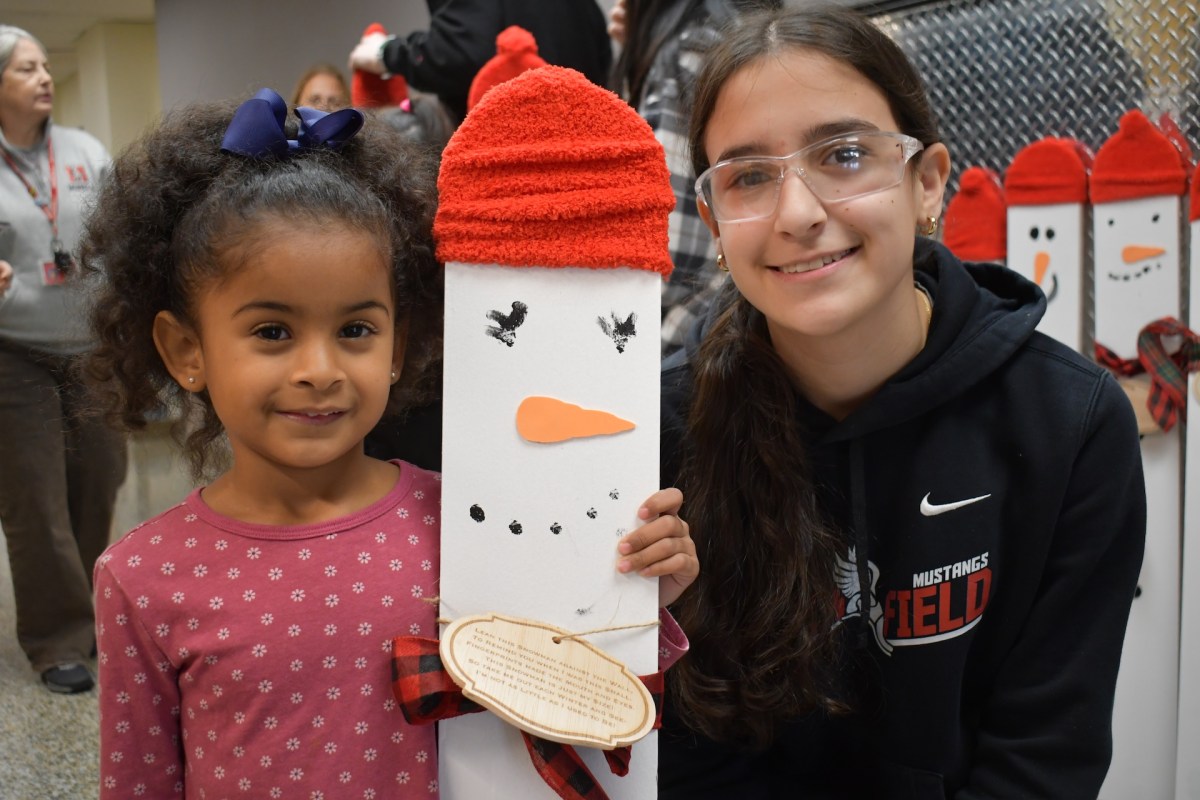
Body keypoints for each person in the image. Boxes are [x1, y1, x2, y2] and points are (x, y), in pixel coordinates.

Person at [80, 87, 696, 798]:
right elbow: (138, 782)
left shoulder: (465, 519)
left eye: (356, 330)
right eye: (272, 332)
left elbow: (566, 680)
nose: (319, 371)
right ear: (186, 349)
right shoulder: (141, 576)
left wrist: (633, 589)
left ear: (399, 344)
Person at [658, 6, 1146, 798]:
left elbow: (1046, 757)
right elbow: (674, 751)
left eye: (844, 156)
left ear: (927, 182)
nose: (799, 215)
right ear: (711, 220)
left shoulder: (1071, 425)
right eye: (749, 176)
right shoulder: (665, 435)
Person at [0, 24, 127, 695]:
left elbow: (114, 231)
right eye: (25, 69)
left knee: (99, 480)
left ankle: (86, 614)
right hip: (13, 352)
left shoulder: (83, 151)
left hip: (90, 345)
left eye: (46, 66)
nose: (44, 77)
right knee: (36, 499)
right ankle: (55, 640)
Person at [609, 0, 778, 355]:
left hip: (695, 336)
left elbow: (665, 250)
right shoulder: (740, 35)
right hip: (737, 317)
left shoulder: (690, 52)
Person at [347, 0, 612, 123]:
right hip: (582, 158)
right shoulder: (586, 8)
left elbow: (459, 52)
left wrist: (387, 53)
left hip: (504, 167)